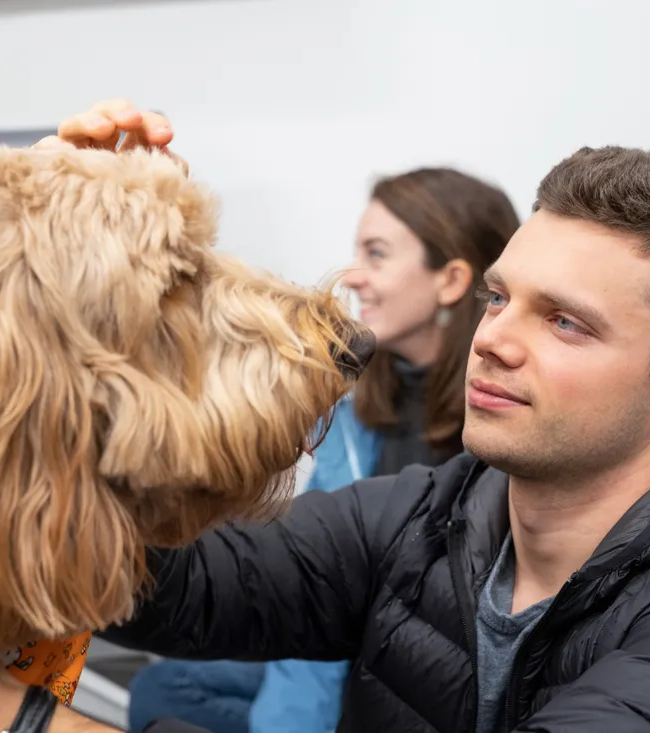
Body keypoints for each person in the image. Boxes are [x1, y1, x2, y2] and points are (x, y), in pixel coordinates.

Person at [0, 100, 650, 733]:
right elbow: (156, 584)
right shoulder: (431, 517)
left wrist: (19, 725)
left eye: (566, 324)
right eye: (499, 297)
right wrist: (39, 267)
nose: (492, 338)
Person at [127, 167, 520, 733]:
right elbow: (309, 561)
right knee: (166, 686)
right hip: (328, 632)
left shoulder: (494, 436)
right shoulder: (354, 403)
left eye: (377, 254)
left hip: (398, 666)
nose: (354, 277)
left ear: (452, 279)